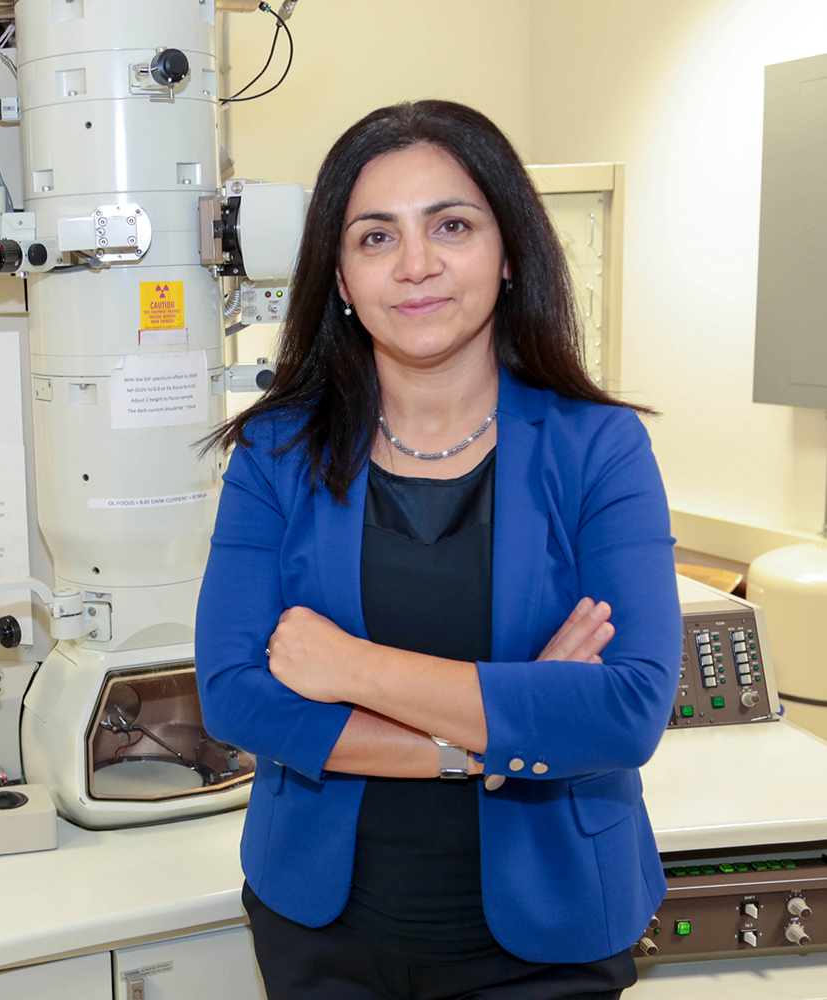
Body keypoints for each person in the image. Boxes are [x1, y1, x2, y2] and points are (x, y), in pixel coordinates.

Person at [195, 100, 681, 1000]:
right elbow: (233, 699)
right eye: (375, 237)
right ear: (340, 276)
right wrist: (487, 740)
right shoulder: (275, 454)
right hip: (322, 932)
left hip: (550, 939)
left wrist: (348, 667)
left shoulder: (599, 449)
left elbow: (625, 713)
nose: (415, 265)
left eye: (450, 226)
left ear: (508, 254)